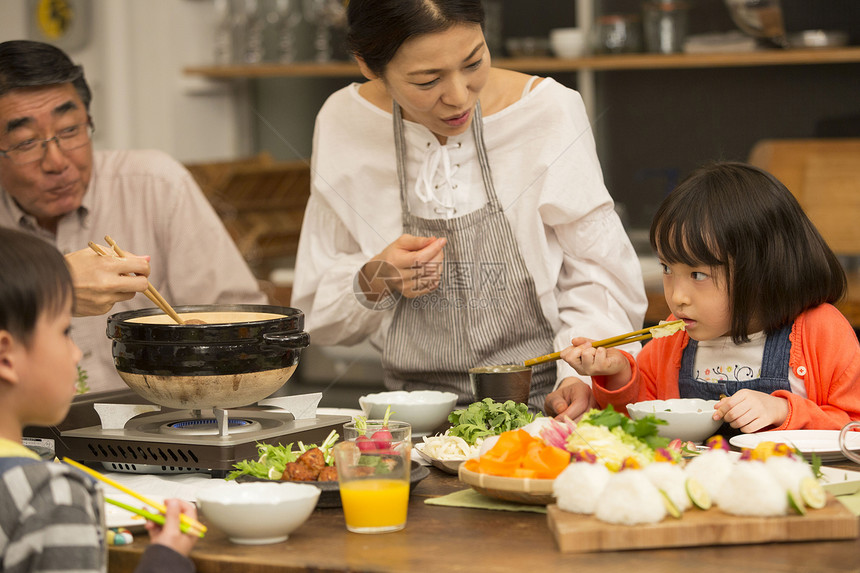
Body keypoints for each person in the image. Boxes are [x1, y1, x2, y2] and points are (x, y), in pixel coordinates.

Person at [291, 0, 646, 414]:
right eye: (427, 81)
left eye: (474, 62)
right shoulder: (342, 121)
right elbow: (318, 314)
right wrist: (377, 277)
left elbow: (599, 278)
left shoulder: (546, 111)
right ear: (369, 66)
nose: (459, 98)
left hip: (544, 406)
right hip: (409, 412)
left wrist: (581, 376)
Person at [0, 40, 267, 393]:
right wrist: (50, 289)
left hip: (154, 423)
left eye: (70, 130)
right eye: (27, 143)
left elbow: (241, 325)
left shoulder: (156, 183)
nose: (57, 162)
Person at [561, 162, 860, 432]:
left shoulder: (821, 331)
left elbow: (853, 427)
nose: (677, 297)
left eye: (698, 275)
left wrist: (784, 411)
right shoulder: (672, 339)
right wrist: (619, 376)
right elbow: (642, 427)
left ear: (758, 271)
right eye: (667, 268)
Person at [0, 227, 198, 573]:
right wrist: (166, 558)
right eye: (65, 331)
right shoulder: (53, 497)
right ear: (5, 358)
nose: (76, 354)